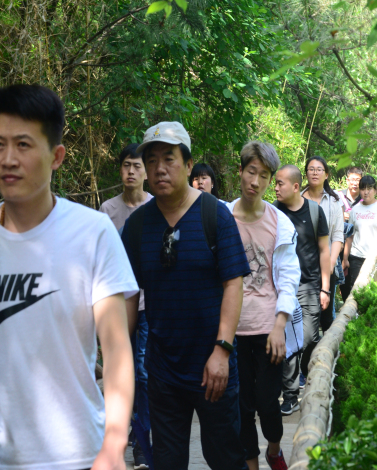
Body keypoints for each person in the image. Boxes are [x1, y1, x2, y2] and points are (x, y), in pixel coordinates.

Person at [0, 84, 137, 470]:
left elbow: (116, 349)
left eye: (23, 145)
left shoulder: (92, 232)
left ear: (56, 156)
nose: (8, 159)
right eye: (0, 145)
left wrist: (114, 445)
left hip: (74, 453)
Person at [120, 121, 251, 470]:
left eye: (169, 158)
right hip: (162, 370)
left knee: (226, 459)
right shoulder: (137, 226)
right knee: (167, 461)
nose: (159, 168)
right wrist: (119, 354)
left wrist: (222, 350)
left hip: (214, 366)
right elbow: (128, 295)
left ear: (189, 164)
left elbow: (233, 284)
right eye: (151, 161)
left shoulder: (214, 215)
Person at [226, 142, 302, 470]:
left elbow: (288, 277)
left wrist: (280, 326)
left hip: (268, 328)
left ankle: (273, 448)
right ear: (241, 171)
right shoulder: (222, 218)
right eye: (251, 172)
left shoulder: (279, 223)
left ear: (271, 180)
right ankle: (251, 462)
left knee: (268, 402)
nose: (255, 182)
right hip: (232, 331)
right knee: (242, 406)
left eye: (264, 176)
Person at [99, 142, 153, 470]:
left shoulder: (155, 206)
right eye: (126, 166)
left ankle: (142, 442)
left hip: (148, 302)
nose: (131, 172)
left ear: (146, 172)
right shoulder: (108, 210)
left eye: (137, 166)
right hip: (117, 303)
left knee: (143, 373)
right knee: (120, 371)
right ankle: (123, 434)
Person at [274, 164, 330, 415]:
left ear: (295, 187)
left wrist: (325, 289)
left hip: (308, 287)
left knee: (304, 337)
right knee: (289, 340)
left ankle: (291, 385)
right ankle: (290, 395)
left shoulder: (315, 212)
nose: (276, 188)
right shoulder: (273, 212)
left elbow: (324, 251)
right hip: (282, 288)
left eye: (280, 183)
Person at [300, 156, 344, 333]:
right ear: (306, 173)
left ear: (326, 175)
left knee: (325, 315)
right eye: (311, 169)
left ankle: (326, 348)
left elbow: (338, 235)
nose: (315, 173)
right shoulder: (297, 198)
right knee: (301, 313)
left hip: (326, 266)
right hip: (301, 266)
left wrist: (331, 263)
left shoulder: (333, 201)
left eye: (319, 169)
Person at [341, 175, 377, 300]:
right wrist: (345, 258)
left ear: (375, 190)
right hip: (357, 257)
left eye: (369, 188)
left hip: (376, 258)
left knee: (376, 294)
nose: (366, 192)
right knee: (357, 294)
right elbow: (350, 236)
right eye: (363, 188)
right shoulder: (355, 210)